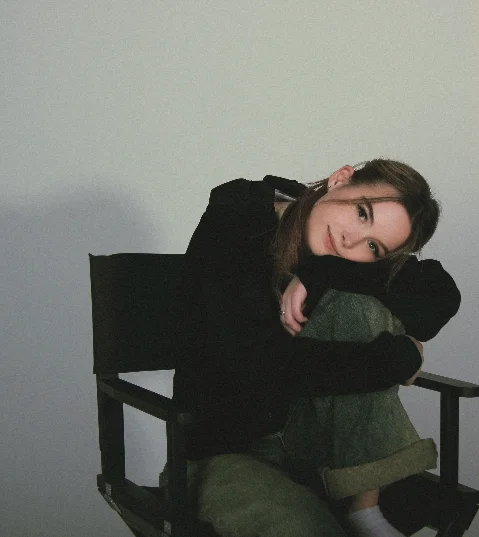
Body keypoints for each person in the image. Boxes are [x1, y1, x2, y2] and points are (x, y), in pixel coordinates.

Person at [171, 159, 461, 537]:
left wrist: (320, 273)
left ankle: (364, 505)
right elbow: (257, 367)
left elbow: (439, 298)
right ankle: (361, 506)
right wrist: (398, 359)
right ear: (341, 179)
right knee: (309, 529)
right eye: (362, 213)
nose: (350, 241)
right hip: (223, 451)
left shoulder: (331, 255)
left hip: (309, 440)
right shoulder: (237, 220)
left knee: (361, 304)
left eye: (373, 246)